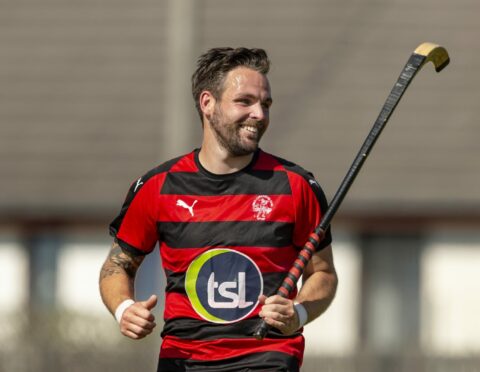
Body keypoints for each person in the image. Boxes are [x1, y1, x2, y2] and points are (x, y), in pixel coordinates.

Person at [99, 47, 338, 372]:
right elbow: (117, 266)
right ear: (207, 103)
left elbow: (322, 273)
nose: (260, 114)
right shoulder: (158, 186)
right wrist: (124, 308)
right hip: (183, 361)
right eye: (245, 101)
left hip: (267, 357)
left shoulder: (296, 187)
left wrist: (299, 313)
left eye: (265, 104)